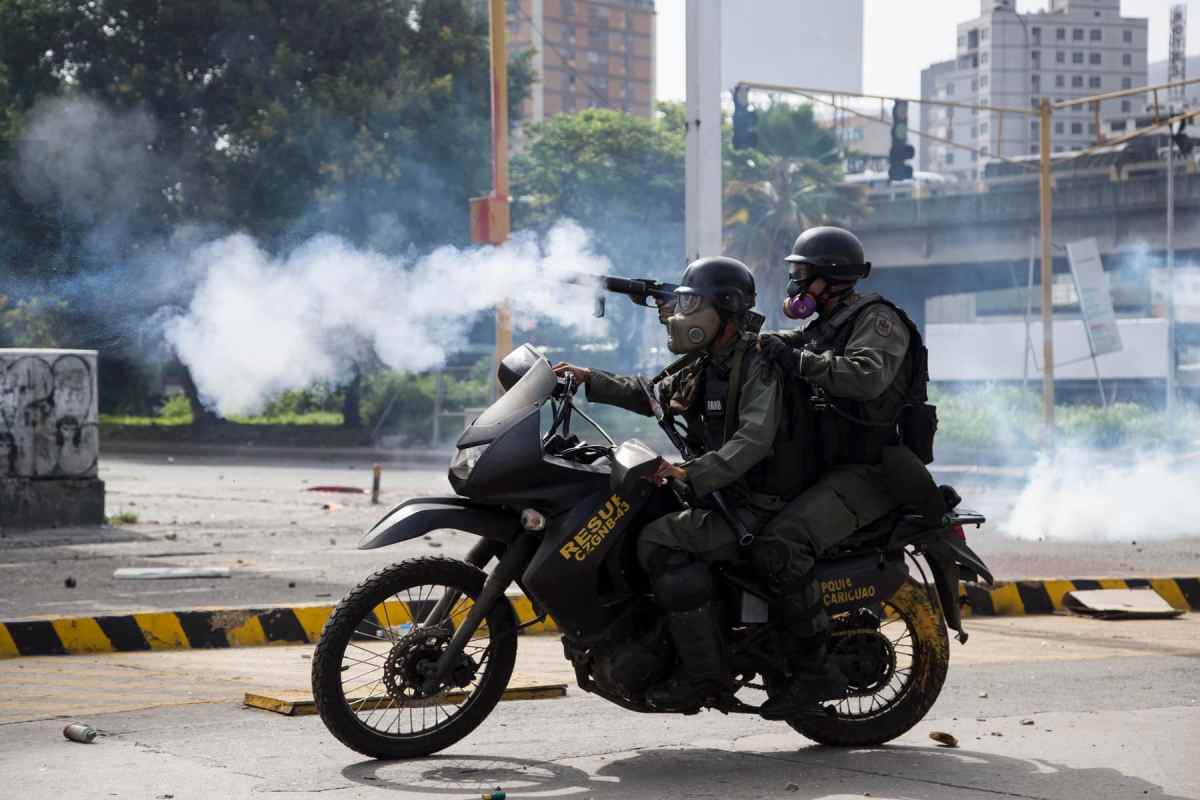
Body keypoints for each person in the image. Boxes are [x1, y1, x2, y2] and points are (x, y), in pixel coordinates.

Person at [554, 256, 807, 710]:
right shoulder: (704, 363)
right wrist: (589, 379)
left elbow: (753, 439)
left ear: (724, 311)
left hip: (759, 503)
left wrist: (691, 473)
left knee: (659, 540)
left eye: (691, 303)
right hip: (721, 493)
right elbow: (651, 396)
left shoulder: (757, 363)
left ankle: (704, 675)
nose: (678, 315)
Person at [752, 225, 936, 720]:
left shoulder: (877, 320)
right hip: (828, 465)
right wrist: (755, 342)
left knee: (783, 543)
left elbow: (866, 375)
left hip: (870, 468)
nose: (794, 285)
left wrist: (798, 361)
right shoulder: (828, 322)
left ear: (831, 279)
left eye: (802, 275)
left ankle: (813, 671)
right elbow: (796, 344)